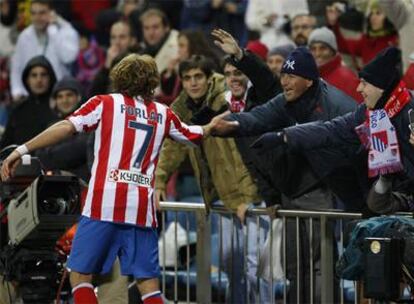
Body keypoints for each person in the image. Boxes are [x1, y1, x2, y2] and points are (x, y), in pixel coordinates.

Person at [1, 54, 211, 304]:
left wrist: (22, 149)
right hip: (142, 211)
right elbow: (196, 134)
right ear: (151, 81)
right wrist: (221, 124)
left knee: (80, 277)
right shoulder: (164, 114)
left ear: (120, 78)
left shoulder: (105, 103)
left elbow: (67, 127)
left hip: (104, 206)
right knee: (149, 287)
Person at [207, 46, 359, 303]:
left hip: (328, 189)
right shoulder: (286, 101)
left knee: (319, 262)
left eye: (291, 76)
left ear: (309, 80)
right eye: (284, 76)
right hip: (293, 189)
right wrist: (230, 125)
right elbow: (257, 118)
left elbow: (357, 149)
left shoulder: (336, 103)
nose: (284, 82)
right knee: (295, 264)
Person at [154, 55, 263, 303]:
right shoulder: (181, 107)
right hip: (218, 196)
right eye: (188, 78)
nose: (193, 83)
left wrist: (248, 196)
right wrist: (159, 181)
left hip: (249, 196)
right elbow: (172, 148)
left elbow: (239, 155)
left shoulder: (226, 100)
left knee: (257, 267)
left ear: (209, 77)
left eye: (198, 77)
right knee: (229, 260)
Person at [271, 47, 414, 216]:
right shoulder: (367, 113)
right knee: (376, 204)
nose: (358, 89)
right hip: (399, 199)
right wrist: (287, 136)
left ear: (381, 87)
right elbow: (331, 130)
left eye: (365, 83)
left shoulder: (409, 109)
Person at [10, 0, 79, 100]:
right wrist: (17, 91)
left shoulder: (67, 31)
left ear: (52, 12)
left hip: (60, 96)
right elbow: (16, 67)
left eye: (42, 13)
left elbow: (68, 58)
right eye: (33, 13)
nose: (37, 18)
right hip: (31, 96)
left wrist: (53, 31)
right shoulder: (24, 36)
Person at [0, 55, 57, 149]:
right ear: (27, 80)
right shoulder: (17, 111)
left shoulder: (59, 107)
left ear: (50, 78)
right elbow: (5, 146)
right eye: (34, 75)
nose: (39, 80)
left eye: (43, 75)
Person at [308, 26, 363, 103]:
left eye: (323, 48)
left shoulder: (348, 79)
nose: (317, 53)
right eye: (313, 49)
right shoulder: (308, 77)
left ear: (333, 51)